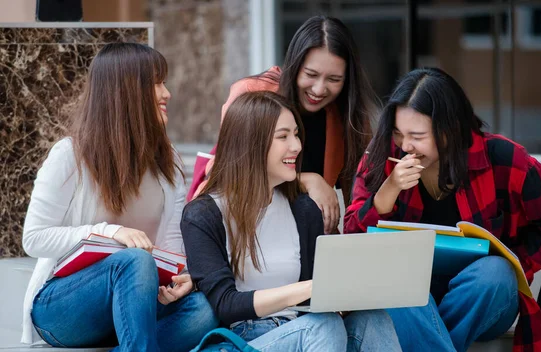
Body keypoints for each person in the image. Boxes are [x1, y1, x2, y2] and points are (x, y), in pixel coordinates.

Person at [344, 67, 541, 352]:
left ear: (450, 130)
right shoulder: (384, 155)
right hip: (409, 303)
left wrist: (515, 262)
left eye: (417, 135)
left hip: (484, 297)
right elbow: (351, 238)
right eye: (398, 133)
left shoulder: (502, 158)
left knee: (495, 272)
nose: (405, 145)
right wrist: (386, 194)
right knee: (394, 276)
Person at [21, 43, 217, 351]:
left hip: (135, 303)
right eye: (156, 82)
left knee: (205, 309)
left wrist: (181, 279)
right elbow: (33, 239)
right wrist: (111, 233)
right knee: (134, 261)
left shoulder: (170, 164)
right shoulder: (69, 156)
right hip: (63, 308)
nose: (167, 93)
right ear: (127, 90)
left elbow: (171, 246)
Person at [181, 91, 401, 352]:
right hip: (244, 338)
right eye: (283, 136)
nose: (296, 146)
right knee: (322, 325)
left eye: (296, 134)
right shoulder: (203, 214)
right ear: (251, 143)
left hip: (305, 329)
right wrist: (307, 288)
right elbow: (226, 305)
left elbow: (317, 300)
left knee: (371, 319)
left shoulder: (303, 209)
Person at [187, 15, 379, 234]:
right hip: (247, 228)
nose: (318, 89)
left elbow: (359, 199)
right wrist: (307, 180)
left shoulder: (348, 116)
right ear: (295, 66)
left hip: (309, 236)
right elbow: (232, 173)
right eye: (311, 74)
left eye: (334, 79)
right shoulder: (254, 95)